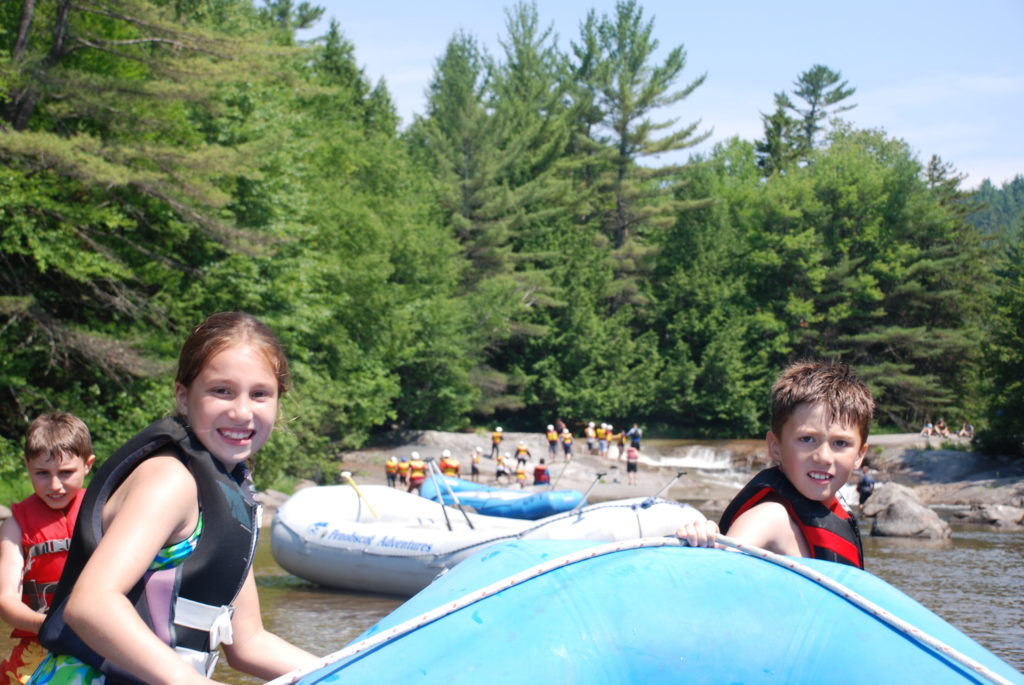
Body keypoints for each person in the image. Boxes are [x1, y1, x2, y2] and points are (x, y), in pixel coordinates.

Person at [29, 312, 318, 684]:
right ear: (183, 397)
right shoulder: (169, 480)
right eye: (221, 391)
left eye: (260, 394)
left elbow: (248, 643)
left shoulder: (230, 497)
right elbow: (91, 604)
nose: (242, 411)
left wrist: (351, 674)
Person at [677, 360, 874, 568]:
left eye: (840, 443)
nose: (824, 457)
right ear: (775, 447)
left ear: (860, 455)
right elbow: (718, 569)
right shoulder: (768, 519)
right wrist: (703, 540)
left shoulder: (837, 511)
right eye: (807, 439)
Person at [0, 413, 95, 685]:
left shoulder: (104, 511)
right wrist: (49, 627)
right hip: (40, 641)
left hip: (100, 637)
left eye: (66, 473)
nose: (55, 485)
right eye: (42, 473)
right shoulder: (15, 526)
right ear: (27, 466)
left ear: (88, 465)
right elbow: (6, 601)